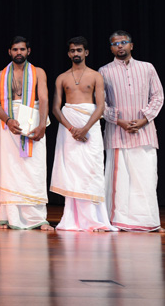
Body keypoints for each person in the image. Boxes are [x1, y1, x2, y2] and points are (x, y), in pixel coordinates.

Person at [99, 30, 165, 232]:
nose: (120, 46)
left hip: (145, 132)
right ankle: (117, 222)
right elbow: (100, 104)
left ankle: (149, 223)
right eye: (115, 43)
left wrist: (144, 119)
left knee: (146, 179)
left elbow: (158, 96)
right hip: (117, 134)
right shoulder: (104, 71)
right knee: (119, 182)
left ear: (131, 45)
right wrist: (119, 121)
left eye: (123, 42)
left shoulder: (147, 68)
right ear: (111, 48)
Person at [50, 37, 117, 232]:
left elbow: (101, 106)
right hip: (68, 127)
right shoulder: (62, 78)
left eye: (79, 50)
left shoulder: (96, 76)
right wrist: (72, 129)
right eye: (72, 51)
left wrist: (86, 128)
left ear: (86, 52)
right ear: (68, 53)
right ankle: (72, 220)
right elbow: (55, 108)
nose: (76, 53)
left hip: (91, 126)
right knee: (72, 172)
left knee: (92, 170)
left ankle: (96, 220)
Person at [0, 36, 53, 230]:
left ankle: (37, 218)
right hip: (8, 127)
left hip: (33, 124)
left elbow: (44, 98)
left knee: (34, 169)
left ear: (28, 51)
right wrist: (8, 120)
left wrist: (41, 126)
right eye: (15, 49)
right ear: (9, 52)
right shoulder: (1, 75)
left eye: (22, 49)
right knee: (11, 171)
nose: (19, 53)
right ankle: (9, 216)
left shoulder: (38, 72)